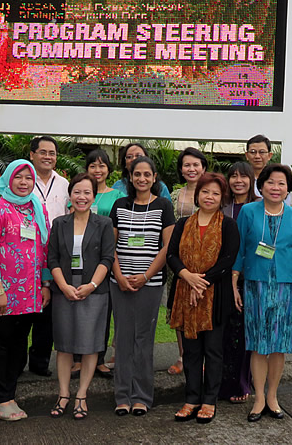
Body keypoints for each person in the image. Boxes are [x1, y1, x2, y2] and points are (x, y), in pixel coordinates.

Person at [232, 163, 292, 422]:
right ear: (261, 185)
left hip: (286, 288)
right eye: (271, 182)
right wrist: (234, 283)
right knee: (257, 344)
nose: (276, 187)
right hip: (255, 286)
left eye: (281, 183)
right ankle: (258, 398)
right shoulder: (248, 211)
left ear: (288, 189)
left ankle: (273, 397)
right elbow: (240, 248)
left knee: (278, 346)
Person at [0, 160, 51, 421]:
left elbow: (44, 249)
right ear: (8, 179)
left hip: (30, 293)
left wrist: (45, 284)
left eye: (28, 178)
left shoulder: (37, 209)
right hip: (3, 293)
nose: (23, 182)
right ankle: (0, 399)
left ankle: (9, 394)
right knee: (1, 344)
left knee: (20, 345)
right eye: (18, 177)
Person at [167, 173, 240, 424]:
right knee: (191, 351)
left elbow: (228, 259)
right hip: (185, 293)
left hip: (215, 296)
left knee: (213, 350)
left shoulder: (228, 225)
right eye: (205, 192)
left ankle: (209, 400)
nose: (210, 197)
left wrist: (203, 280)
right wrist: (188, 277)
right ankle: (191, 398)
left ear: (223, 198)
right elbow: (171, 256)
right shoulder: (183, 223)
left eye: (216, 193)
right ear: (197, 195)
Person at [109, 156, 175, 416]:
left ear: (154, 177)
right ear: (130, 177)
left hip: (151, 283)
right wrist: (120, 276)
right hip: (120, 282)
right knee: (123, 339)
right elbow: (109, 246)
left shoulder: (163, 206)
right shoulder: (120, 205)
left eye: (147, 174)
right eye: (137, 174)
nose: (142, 179)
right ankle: (122, 396)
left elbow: (168, 246)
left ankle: (142, 397)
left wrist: (146, 275)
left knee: (144, 339)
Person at [47, 173, 115, 420]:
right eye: (77, 192)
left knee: (89, 345)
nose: (81, 197)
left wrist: (92, 285)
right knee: (64, 345)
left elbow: (107, 258)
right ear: (70, 195)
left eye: (87, 192)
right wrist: (63, 286)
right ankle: (63, 394)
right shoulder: (59, 223)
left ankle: (82, 395)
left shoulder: (104, 224)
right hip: (64, 288)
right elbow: (52, 258)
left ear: (93, 197)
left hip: (94, 289)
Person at [27, 135, 70, 378]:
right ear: (32, 154)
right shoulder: (22, 180)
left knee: (48, 311)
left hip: (54, 254)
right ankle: (16, 361)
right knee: (24, 310)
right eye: (42, 152)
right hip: (25, 253)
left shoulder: (64, 183)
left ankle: (40, 362)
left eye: (52, 153)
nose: (47, 157)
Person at [218, 161, 258, 404]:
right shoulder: (222, 207)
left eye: (244, 176)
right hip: (223, 277)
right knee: (225, 333)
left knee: (245, 332)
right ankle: (225, 382)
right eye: (233, 176)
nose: (238, 181)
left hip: (250, 277)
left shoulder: (259, 207)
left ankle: (244, 381)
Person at [83, 148, 125, 378]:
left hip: (106, 258)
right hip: (81, 259)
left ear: (109, 169)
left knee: (103, 310)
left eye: (102, 165)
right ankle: (80, 358)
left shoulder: (116, 196)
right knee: (80, 310)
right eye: (92, 165)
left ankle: (99, 358)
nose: (97, 170)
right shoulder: (80, 191)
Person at [167, 147, 208, 376]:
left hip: (204, 262)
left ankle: (201, 357)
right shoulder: (174, 196)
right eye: (186, 165)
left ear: (203, 167)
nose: (191, 169)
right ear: (181, 170)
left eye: (195, 165)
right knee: (179, 309)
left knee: (202, 309)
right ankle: (183, 356)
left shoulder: (212, 193)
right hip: (178, 263)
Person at [244, 134, 292, 205]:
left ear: (269, 155)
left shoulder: (278, 181)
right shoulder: (240, 180)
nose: (257, 156)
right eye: (253, 152)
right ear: (247, 155)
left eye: (262, 152)